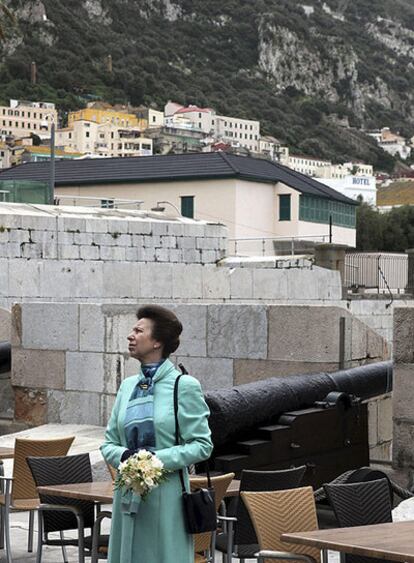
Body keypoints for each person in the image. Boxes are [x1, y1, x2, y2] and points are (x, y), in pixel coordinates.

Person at [101, 304, 213, 563]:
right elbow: (108, 443)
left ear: (157, 342)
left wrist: (154, 461)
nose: (131, 335)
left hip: (167, 497)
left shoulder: (183, 386)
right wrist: (128, 456)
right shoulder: (128, 386)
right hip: (126, 495)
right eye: (132, 330)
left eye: (139, 331)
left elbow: (202, 445)